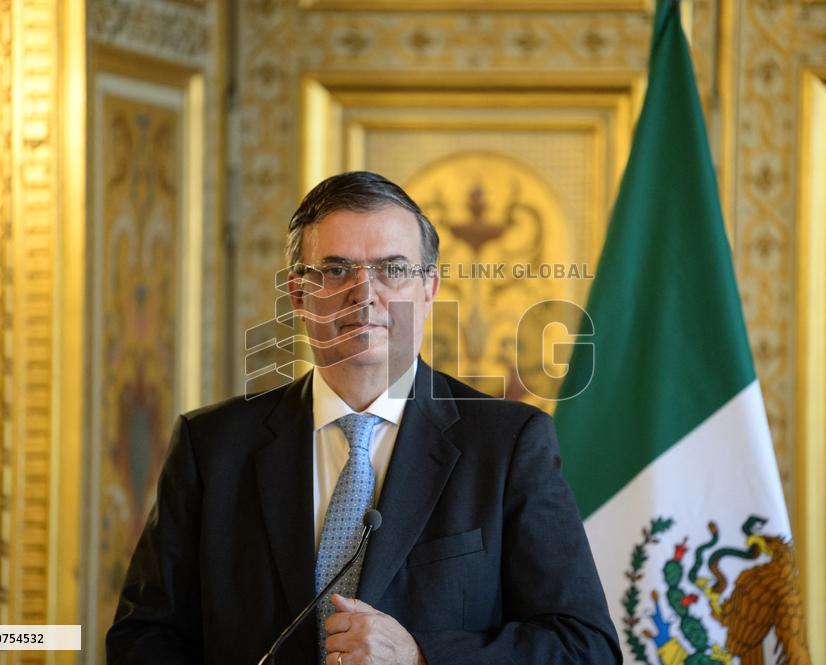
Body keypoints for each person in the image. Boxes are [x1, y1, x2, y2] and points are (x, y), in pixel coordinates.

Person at [106, 171, 621, 664]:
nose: (364, 293)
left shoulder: (508, 445)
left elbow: (585, 646)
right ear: (298, 295)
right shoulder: (211, 446)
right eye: (335, 269)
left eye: (392, 269)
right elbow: (145, 636)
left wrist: (420, 657)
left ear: (429, 290)